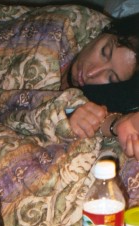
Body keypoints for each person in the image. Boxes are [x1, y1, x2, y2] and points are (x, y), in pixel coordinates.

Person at [60, 11, 139, 157]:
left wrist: (116, 124)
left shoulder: (101, 96)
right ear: (108, 30)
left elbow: (90, 114)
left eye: (111, 78)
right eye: (104, 52)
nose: (92, 72)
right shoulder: (69, 23)